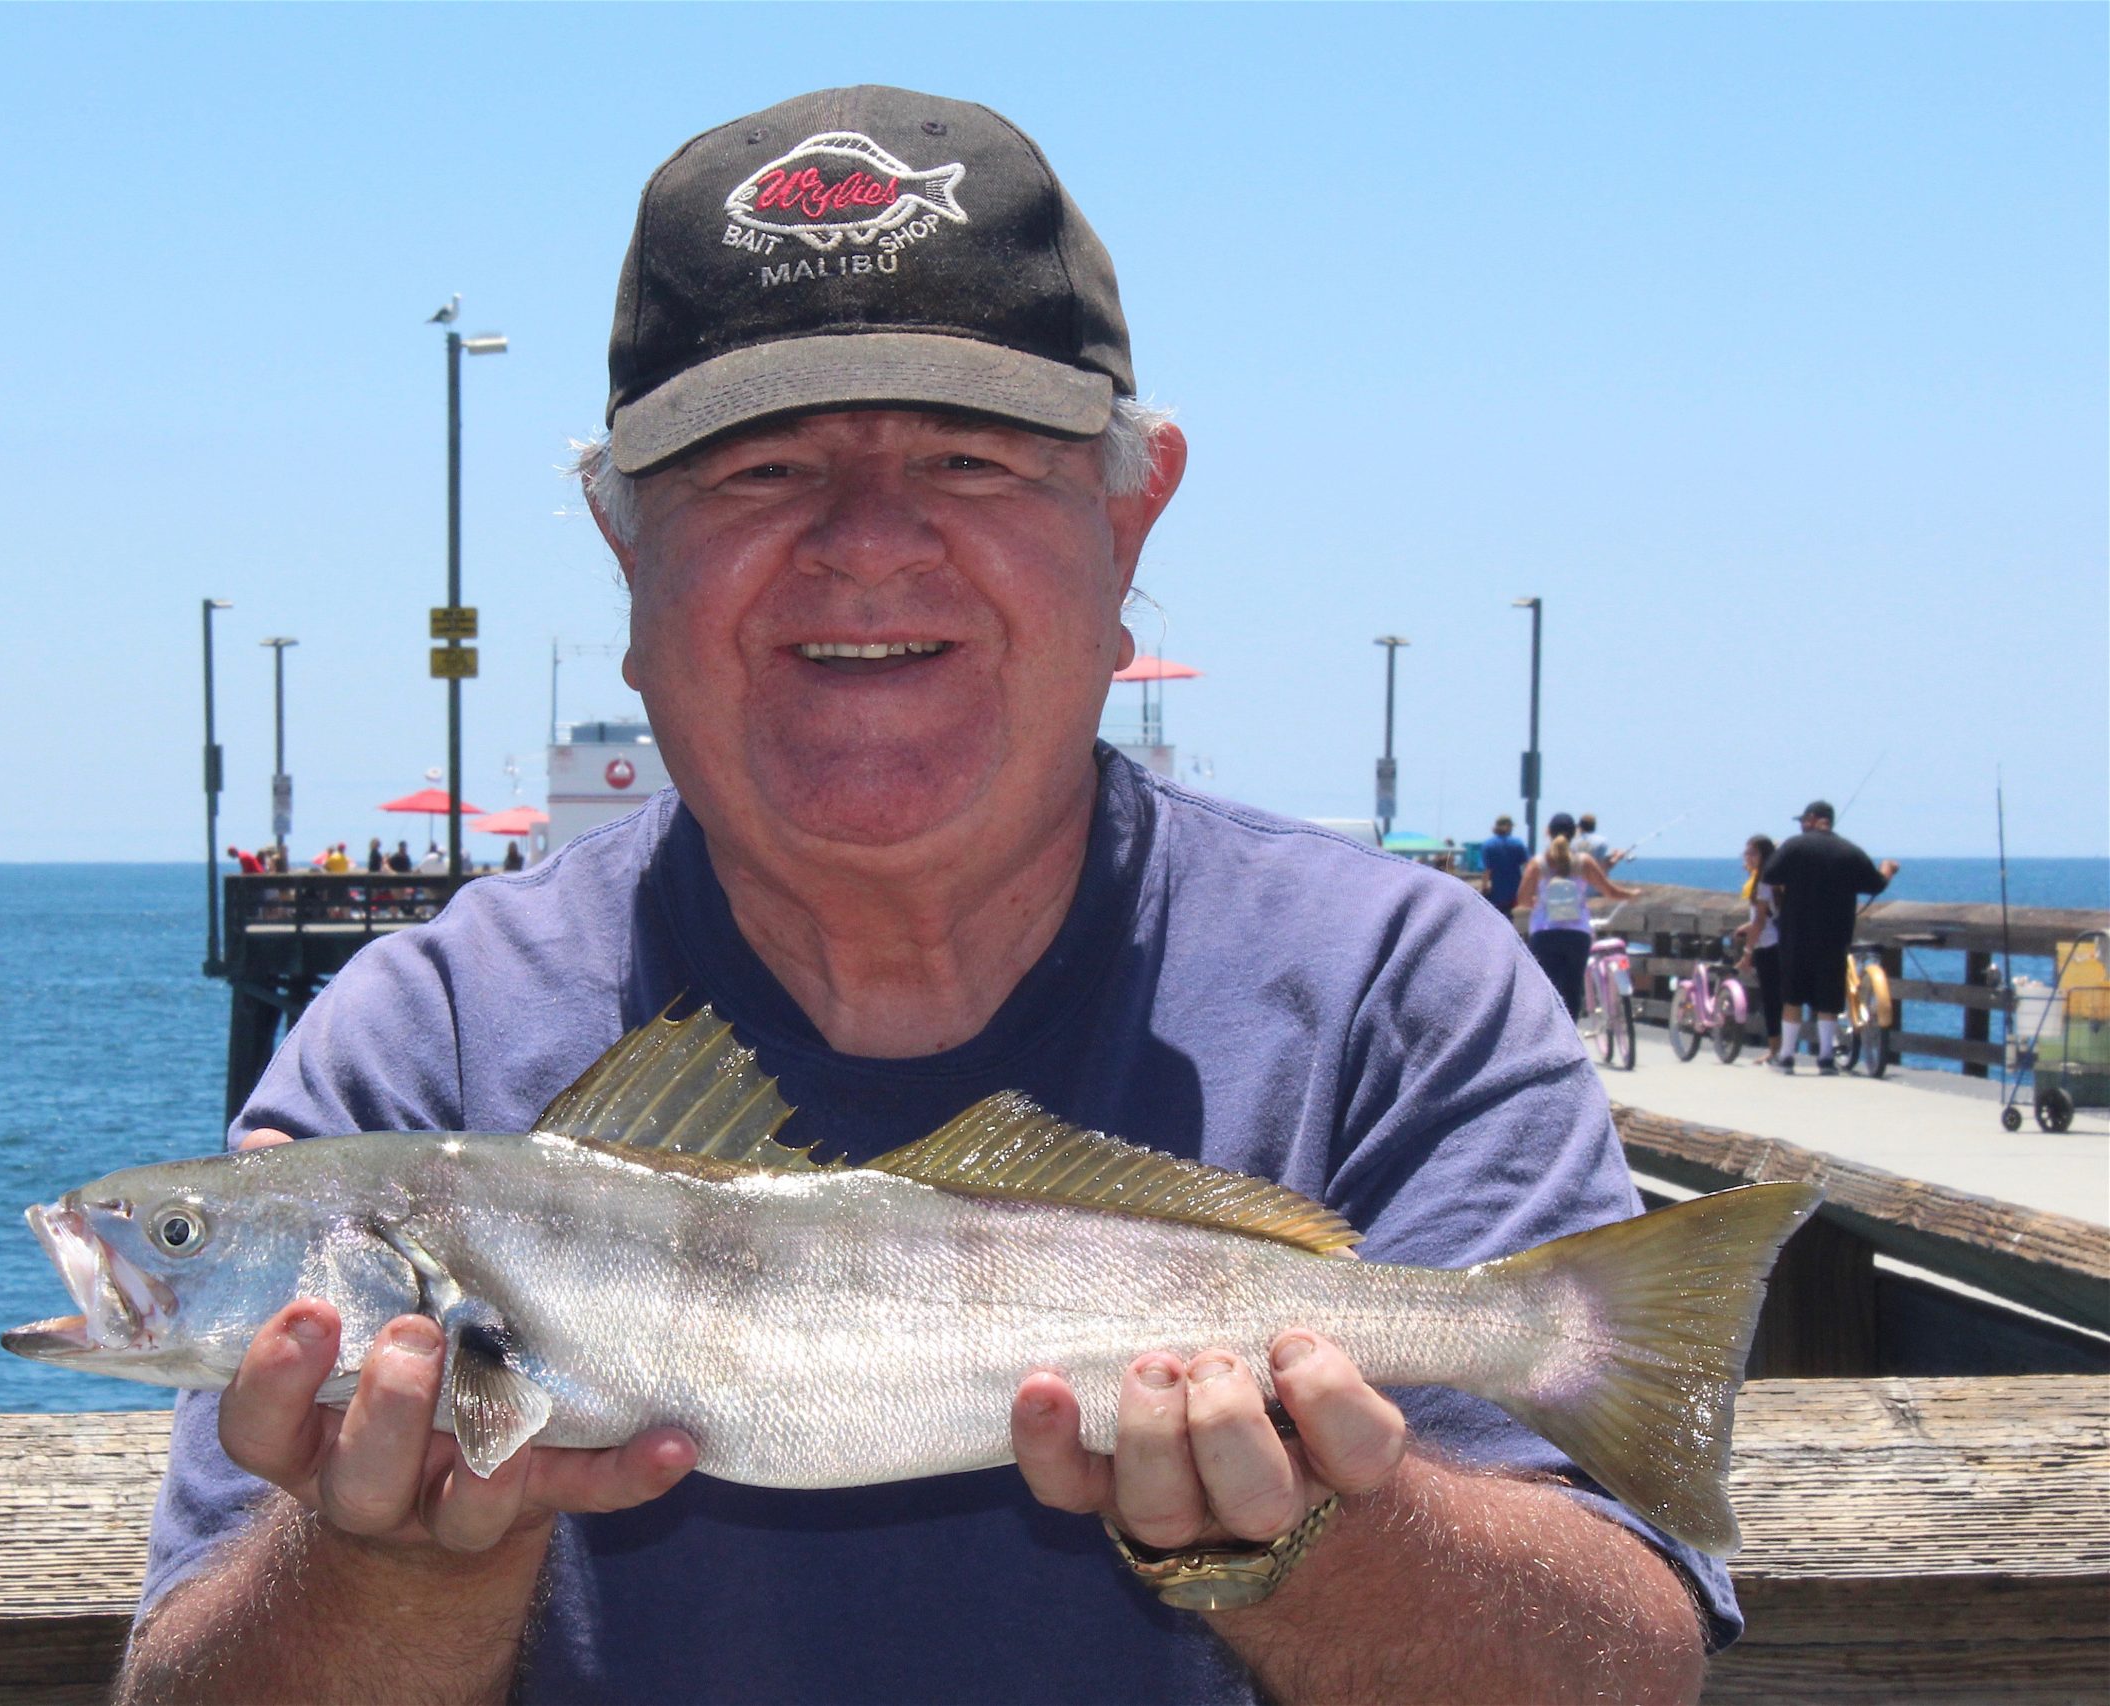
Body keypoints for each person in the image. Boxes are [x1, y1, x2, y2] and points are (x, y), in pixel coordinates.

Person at [119, 86, 1717, 1706]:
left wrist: (1318, 1541)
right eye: (755, 470)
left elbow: (1622, 1675)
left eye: (969, 456)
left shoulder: (1399, 992)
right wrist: (386, 1563)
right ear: (621, 543)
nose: (868, 540)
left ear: (1130, 513)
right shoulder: (417, 1045)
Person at [1761, 800, 1899, 1074]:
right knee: (1829, 994)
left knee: (1792, 996)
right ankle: (1825, 1057)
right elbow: (1875, 884)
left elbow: (1769, 874)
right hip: (1834, 933)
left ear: (1813, 819)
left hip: (1797, 932)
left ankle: (1787, 1056)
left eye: (1803, 820)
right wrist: (1887, 870)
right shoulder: (1850, 851)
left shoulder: (1794, 846)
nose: (1801, 825)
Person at [1515, 832, 1642, 1018]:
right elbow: (1609, 891)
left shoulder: (1539, 863)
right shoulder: (1584, 862)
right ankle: (1569, 1037)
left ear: (1548, 833)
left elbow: (1523, 898)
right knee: (1572, 989)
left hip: (1544, 933)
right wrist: (1630, 895)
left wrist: (1542, 903)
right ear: (1573, 834)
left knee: (1545, 989)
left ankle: (1545, 1035)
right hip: (1577, 934)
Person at [1733, 834, 1783, 1057]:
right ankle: (1780, 1047)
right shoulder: (1772, 878)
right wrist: (1746, 927)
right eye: (1746, 853)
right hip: (1778, 941)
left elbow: (1761, 921)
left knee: (1772, 1000)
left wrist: (1747, 953)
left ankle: (1775, 1050)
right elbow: (1765, 916)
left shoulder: (1764, 881)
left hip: (1769, 945)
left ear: (1763, 855)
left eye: (1752, 853)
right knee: (1778, 998)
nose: (1748, 857)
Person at [1478, 813, 1528, 914]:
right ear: (1508, 827)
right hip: (1514, 892)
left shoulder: (1488, 845)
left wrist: (1484, 888)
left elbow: (1487, 870)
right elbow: (1527, 867)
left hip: (1496, 893)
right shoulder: (1518, 843)